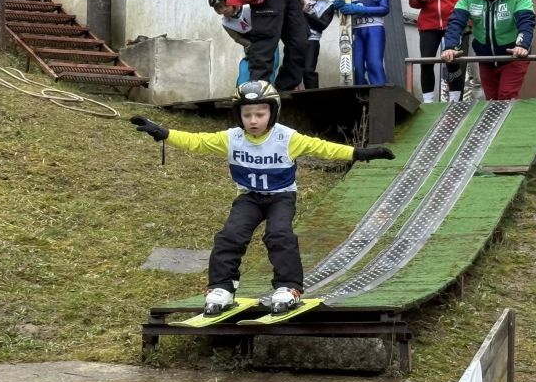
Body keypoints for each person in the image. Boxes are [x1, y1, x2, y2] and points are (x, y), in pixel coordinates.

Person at [130, 81, 395, 315]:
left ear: (273, 113)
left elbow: (323, 147)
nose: (253, 120)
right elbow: (197, 141)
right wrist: (164, 133)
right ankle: (221, 289)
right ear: (239, 116)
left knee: (279, 235)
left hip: (281, 197)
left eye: (260, 114)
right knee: (230, 236)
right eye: (247, 115)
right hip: (249, 198)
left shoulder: (286, 138)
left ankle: (288, 288)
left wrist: (360, 153)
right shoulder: (232, 138)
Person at [441, 0, 535, 100]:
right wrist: (450, 46)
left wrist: (522, 44)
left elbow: (526, 20)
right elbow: (456, 21)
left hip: (513, 55)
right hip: (485, 56)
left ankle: (508, 122)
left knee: (506, 95)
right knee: (491, 99)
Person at [406, 0, 475, 103]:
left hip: (454, 20)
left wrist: (468, 17)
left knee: (452, 61)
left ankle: (454, 101)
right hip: (428, 22)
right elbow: (413, 1)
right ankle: (428, 103)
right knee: (427, 61)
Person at [333, 0, 391, 85]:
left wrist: (360, 9)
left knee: (374, 64)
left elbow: (384, 9)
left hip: (374, 30)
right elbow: (345, 12)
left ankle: (382, 96)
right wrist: (337, 5)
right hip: (356, 31)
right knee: (357, 68)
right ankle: (362, 97)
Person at [209, 0, 280, 87]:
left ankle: (267, 91)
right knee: (247, 69)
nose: (222, 10)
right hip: (250, 46)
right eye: (218, 8)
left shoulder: (249, 8)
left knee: (271, 66)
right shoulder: (226, 23)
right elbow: (237, 38)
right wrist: (250, 45)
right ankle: (243, 89)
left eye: (225, 5)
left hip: (267, 41)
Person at [303, 0, 336, 89]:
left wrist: (308, 13)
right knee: (291, 69)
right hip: (295, 39)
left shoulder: (328, 5)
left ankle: (313, 99)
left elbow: (322, 25)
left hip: (312, 40)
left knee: (308, 71)